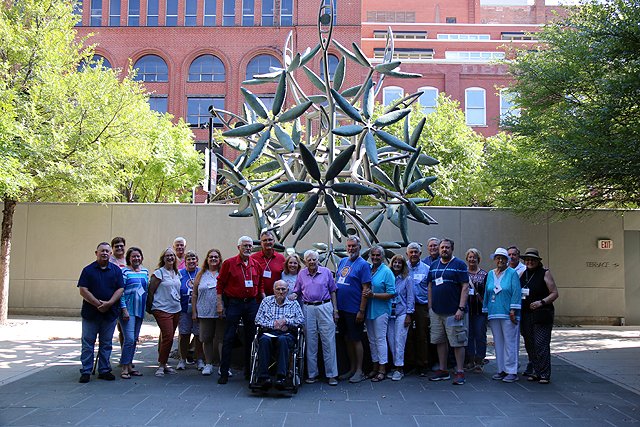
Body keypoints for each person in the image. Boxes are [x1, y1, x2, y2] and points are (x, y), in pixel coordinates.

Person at [216, 236, 265, 384]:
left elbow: (260, 285)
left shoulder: (256, 264)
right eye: (245, 246)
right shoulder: (229, 263)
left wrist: (264, 301)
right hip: (234, 304)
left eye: (250, 246)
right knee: (229, 337)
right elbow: (220, 285)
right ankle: (224, 372)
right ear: (238, 247)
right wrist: (220, 304)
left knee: (251, 338)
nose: (248, 248)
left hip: (251, 304)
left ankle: (249, 371)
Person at [77, 242, 124, 383]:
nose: (104, 253)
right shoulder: (88, 270)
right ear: (96, 253)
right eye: (102, 251)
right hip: (91, 313)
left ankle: (104, 370)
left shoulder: (116, 270)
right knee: (87, 343)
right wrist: (98, 304)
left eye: (107, 251)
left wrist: (109, 303)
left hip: (109, 314)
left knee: (106, 343)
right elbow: (83, 290)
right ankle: (86, 370)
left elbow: (120, 289)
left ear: (110, 254)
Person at [290, 250, 339, 386]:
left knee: (328, 341)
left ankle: (332, 375)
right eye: (309, 260)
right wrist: (292, 296)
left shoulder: (326, 272)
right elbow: (297, 291)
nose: (311, 262)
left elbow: (333, 290)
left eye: (314, 260)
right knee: (311, 342)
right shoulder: (301, 274)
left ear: (318, 260)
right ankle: (312, 374)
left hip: (325, 306)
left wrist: (335, 310)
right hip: (308, 308)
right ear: (305, 261)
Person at [427, 238, 470, 385]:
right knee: (440, 341)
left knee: (457, 341)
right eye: (442, 247)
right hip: (437, 312)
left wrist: (461, 308)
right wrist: (430, 307)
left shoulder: (459, 265)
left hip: (454, 312)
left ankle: (459, 371)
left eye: (447, 247)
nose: (444, 250)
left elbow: (465, 287)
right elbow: (430, 286)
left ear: (452, 249)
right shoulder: (433, 265)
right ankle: (443, 370)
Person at [254, 280, 305, 390]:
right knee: (264, 340)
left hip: (287, 333)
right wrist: (273, 324)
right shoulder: (266, 302)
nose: (280, 292)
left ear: (287, 290)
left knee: (283, 340)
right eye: (278, 289)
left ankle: (281, 377)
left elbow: (301, 320)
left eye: (283, 289)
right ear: (273, 290)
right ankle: (263, 377)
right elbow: (257, 320)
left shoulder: (293, 303)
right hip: (269, 332)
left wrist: (286, 321)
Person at [520, 248, 559, 384]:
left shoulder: (545, 273)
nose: (530, 262)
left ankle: (544, 373)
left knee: (541, 343)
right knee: (530, 344)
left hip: (542, 314)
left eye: (532, 260)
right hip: (526, 314)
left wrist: (541, 302)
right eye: (527, 259)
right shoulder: (523, 274)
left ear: (538, 261)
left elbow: (554, 293)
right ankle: (536, 371)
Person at [336, 235, 371, 383]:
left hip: (354, 310)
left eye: (354, 246)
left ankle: (359, 371)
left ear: (359, 247)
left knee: (356, 339)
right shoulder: (343, 261)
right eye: (349, 246)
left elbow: (366, 289)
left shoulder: (363, 265)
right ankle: (351, 369)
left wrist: (361, 310)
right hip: (342, 309)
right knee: (347, 338)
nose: (351, 248)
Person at [483, 248, 522, 383]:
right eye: (498, 258)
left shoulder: (512, 273)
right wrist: (486, 309)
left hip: (508, 313)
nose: (500, 260)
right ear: (495, 259)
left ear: (508, 260)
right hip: (494, 312)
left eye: (503, 258)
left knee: (510, 342)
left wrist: (513, 310)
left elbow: (516, 292)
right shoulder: (490, 274)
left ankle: (511, 371)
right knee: (498, 342)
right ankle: (501, 370)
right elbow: (487, 292)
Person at [363, 245, 396, 382]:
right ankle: (375, 367)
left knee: (380, 339)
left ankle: (382, 369)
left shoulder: (387, 272)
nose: (375, 257)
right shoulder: (369, 269)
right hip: (369, 310)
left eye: (378, 255)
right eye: (373, 255)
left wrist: (374, 295)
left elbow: (392, 293)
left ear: (383, 257)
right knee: (371, 340)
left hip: (381, 311)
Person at [147, 248, 182, 377]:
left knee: (169, 337)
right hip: (161, 308)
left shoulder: (177, 273)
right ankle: (161, 365)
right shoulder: (159, 273)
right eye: (167, 255)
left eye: (172, 255)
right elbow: (151, 291)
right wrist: (150, 308)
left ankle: (164, 363)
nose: (170, 258)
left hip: (176, 308)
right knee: (168, 336)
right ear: (163, 258)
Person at [192, 249, 225, 376]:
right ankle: (208, 364)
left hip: (220, 311)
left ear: (220, 259)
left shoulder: (223, 273)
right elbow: (194, 294)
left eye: (216, 257)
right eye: (210, 256)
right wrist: (194, 311)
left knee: (221, 338)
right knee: (206, 338)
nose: (213, 259)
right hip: (204, 311)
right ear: (207, 259)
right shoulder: (201, 274)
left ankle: (223, 365)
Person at [119, 247, 148, 379]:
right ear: (129, 258)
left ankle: (130, 365)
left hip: (139, 310)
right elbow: (121, 292)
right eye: (133, 256)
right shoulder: (124, 271)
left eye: (138, 256)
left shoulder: (145, 271)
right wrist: (123, 309)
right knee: (129, 339)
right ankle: (124, 367)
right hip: (127, 311)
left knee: (134, 339)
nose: (136, 258)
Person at [387, 254, 414, 381]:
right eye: (395, 262)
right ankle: (395, 365)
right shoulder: (389, 277)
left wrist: (409, 314)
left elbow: (410, 298)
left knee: (399, 340)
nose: (397, 265)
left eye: (399, 263)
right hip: (389, 314)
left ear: (403, 266)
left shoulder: (407, 279)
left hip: (402, 313)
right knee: (391, 341)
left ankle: (399, 368)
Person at [405, 241, 431, 376]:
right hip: (405, 307)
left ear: (420, 253)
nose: (414, 254)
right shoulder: (403, 268)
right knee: (407, 335)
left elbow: (431, 289)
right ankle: (410, 363)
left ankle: (423, 364)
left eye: (416, 252)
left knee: (422, 335)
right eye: (411, 252)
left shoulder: (427, 269)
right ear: (407, 253)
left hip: (421, 306)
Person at [177, 251, 204, 370]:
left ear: (197, 260)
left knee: (198, 335)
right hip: (183, 309)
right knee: (184, 334)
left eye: (193, 259)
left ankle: (199, 359)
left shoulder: (202, 272)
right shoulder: (180, 273)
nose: (191, 261)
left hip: (199, 309)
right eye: (188, 259)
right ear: (185, 261)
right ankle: (182, 359)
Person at [465, 248, 488, 372]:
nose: (472, 259)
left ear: (478, 259)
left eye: (474, 257)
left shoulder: (485, 274)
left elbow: (487, 293)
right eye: (470, 257)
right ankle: (470, 360)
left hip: (480, 310)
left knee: (480, 335)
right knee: (469, 336)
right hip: (467, 310)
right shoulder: (463, 273)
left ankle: (480, 360)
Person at [251, 230, 286, 296]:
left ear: (274, 241)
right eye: (264, 240)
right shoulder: (253, 258)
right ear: (260, 243)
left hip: (277, 296)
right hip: (257, 297)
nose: (268, 242)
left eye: (270, 240)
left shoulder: (281, 258)